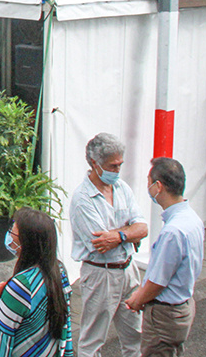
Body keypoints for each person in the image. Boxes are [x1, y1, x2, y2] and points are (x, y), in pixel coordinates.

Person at [71, 133, 148, 357]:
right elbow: (99, 244)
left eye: (119, 165)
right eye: (113, 166)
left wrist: (117, 235)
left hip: (128, 270)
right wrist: (128, 232)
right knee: (92, 339)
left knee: (136, 334)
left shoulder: (122, 188)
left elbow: (142, 228)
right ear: (94, 163)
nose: (117, 171)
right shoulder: (83, 198)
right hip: (100, 274)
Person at [124, 158, 205, 357]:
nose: (148, 187)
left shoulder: (172, 232)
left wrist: (137, 300)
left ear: (158, 186)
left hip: (164, 315)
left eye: (149, 181)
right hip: (182, 307)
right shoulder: (192, 220)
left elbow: (158, 281)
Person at [0, 207, 74, 357]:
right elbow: (65, 325)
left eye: (13, 232)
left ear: (27, 242)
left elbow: (0, 339)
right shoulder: (59, 271)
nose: (9, 235)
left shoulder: (21, 286)